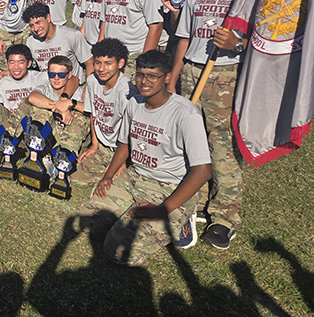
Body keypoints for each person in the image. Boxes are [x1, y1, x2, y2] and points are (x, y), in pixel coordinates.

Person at [75, 50, 212, 267]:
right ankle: (133, 213)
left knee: (117, 250)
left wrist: (163, 208)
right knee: (88, 220)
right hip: (134, 177)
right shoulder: (134, 103)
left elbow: (203, 170)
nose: (144, 81)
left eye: (152, 76)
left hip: (169, 187)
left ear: (167, 77)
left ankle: (181, 220)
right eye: (140, 75)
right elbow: (125, 143)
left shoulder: (186, 114)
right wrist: (108, 176)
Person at [170, 0, 249, 250]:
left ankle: (224, 218)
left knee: (222, 148)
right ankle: (197, 204)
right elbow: (185, 37)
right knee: (192, 143)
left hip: (226, 74)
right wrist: (175, 74)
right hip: (192, 70)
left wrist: (238, 44)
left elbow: (267, 44)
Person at [77, 38, 137, 186]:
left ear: (120, 64)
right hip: (102, 144)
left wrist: (121, 161)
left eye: (108, 63)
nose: (102, 69)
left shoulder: (126, 92)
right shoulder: (92, 80)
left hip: (121, 149)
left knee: (116, 184)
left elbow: (132, 129)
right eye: (98, 63)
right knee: (76, 177)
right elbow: (93, 113)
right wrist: (94, 145)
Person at [25, 56, 90, 156]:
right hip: (53, 136)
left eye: (61, 75)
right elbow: (32, 97)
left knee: (80, 116)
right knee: (36, 108)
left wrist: (69, 103)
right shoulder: (46, 88)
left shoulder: (78, 92)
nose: (56, 78)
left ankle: (66, 157)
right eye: (52, 74)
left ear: (69, 75)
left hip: (72, 140)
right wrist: (60, 108)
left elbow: (92, 110)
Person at [22, 3, 92, 92]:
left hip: (73, 88)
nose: (36, 28)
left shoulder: (72, 36)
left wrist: (87, 89)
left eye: (38, 22)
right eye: (31, 25)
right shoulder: (31, 41)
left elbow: (89, 62)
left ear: (48, 18)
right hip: (47, 89)